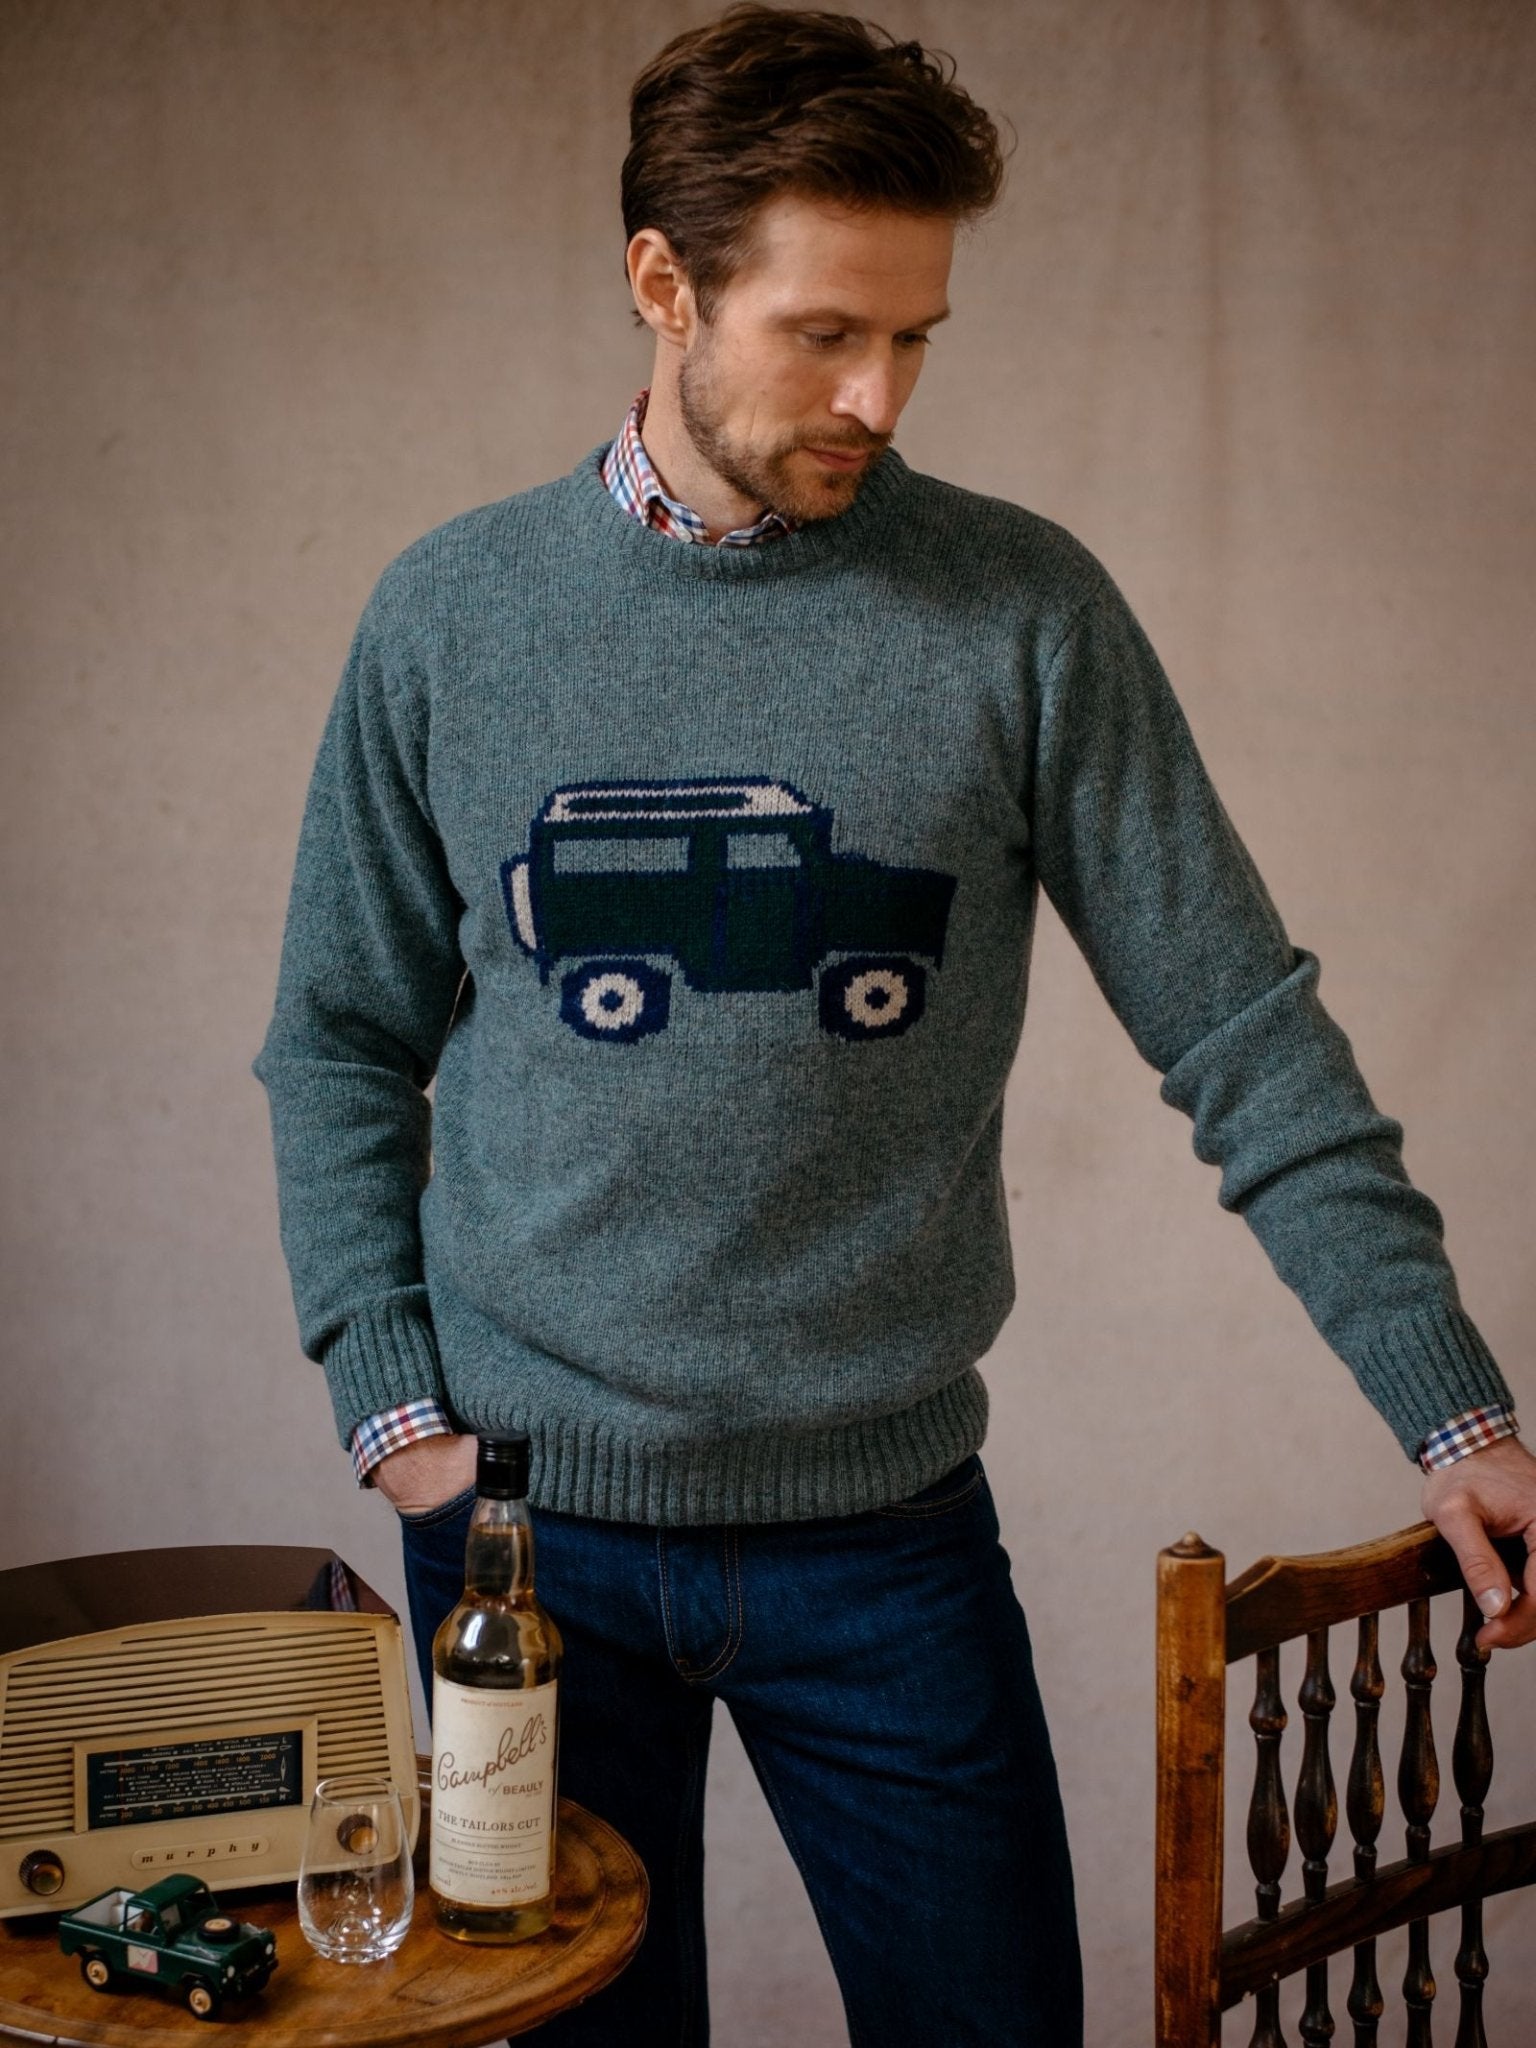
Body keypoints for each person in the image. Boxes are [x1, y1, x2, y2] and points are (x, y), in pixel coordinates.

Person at [254, 8, 1535, 2043]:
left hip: (886, 1533)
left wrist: (1455, 1411)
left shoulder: (1025, 613)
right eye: (825, 331)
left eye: (920, 337)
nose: (879, 393)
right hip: (524, 1538)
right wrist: (392, 1407)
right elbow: (335, 1037)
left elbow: (1243, 1025)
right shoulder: (450, 616)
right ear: (661, 283)